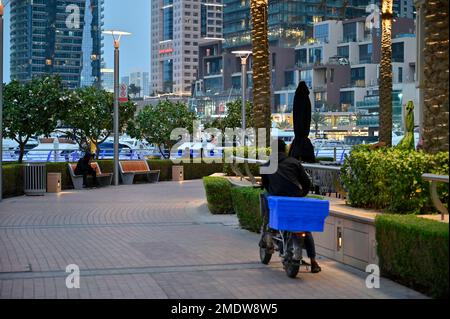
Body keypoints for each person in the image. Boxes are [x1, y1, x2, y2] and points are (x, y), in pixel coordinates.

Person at [261, 139, 322, 273]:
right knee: (304, 227)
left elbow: (265, 185)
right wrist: (301, 195)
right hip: (295, 200)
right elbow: (306, 183)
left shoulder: (266, 165)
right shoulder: (295, 163)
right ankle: (313, 261)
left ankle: (268, 225)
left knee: (265, 195)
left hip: (278, 201)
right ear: (285, 150)